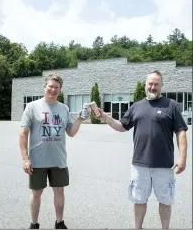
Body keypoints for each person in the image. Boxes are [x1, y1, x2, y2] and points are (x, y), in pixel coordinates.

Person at [97, 70, 188, 229]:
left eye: (156, 84)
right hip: (139, 164)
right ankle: (137, 227)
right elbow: (122, 126)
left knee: (165, 200)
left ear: (161, 86)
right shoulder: (136, 106)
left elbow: (181, 131)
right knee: (139, 200)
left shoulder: (171, 105)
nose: (153, 87)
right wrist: (105, 118)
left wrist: (182, 159)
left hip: (164, 165)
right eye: (150, 84)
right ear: (145, 85)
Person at [19, 73, 86, 229]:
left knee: (60, 192)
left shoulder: (64, 108)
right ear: (45, 87)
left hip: (58, 160)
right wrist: (25, 158)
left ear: (60, 90)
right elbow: (23, 133)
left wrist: (80, 120)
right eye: (51, 86)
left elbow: (71, 132)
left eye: (57, 87)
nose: (53, 90)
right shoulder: (32, 106)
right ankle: (34, 224)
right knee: (36, 193)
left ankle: (59, 222)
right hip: (37, 160)